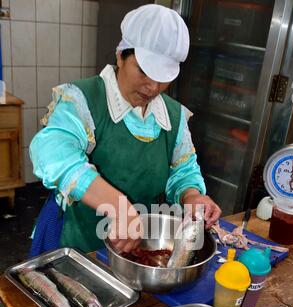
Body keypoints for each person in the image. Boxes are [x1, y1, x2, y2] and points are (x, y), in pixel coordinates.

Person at [29, 4, 221, 257]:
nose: (153, 87)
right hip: (79, 244)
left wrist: (192, 195)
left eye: (164, 77)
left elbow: (182, 171)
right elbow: (50, 152)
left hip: (139, 244)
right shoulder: (84, 99)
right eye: (143, 71)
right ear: (120, 55)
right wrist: (118, 207)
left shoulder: (173, 116)